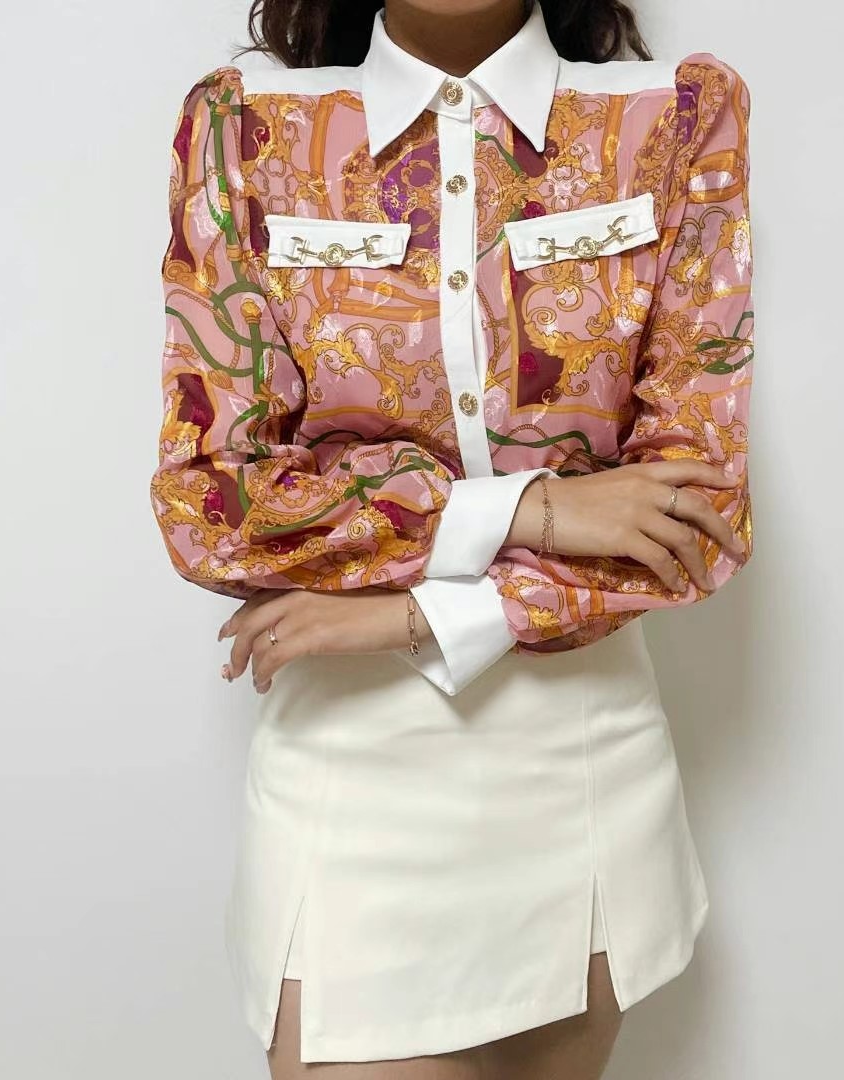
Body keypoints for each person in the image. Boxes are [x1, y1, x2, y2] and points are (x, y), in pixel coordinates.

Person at [149, 0, 755, 1075]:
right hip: (354, 765)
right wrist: (531, 508)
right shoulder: (244, 132)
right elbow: (213, 500)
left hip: (579, 753)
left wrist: (414, 616)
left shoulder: (674, 119)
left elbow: (695, 515)